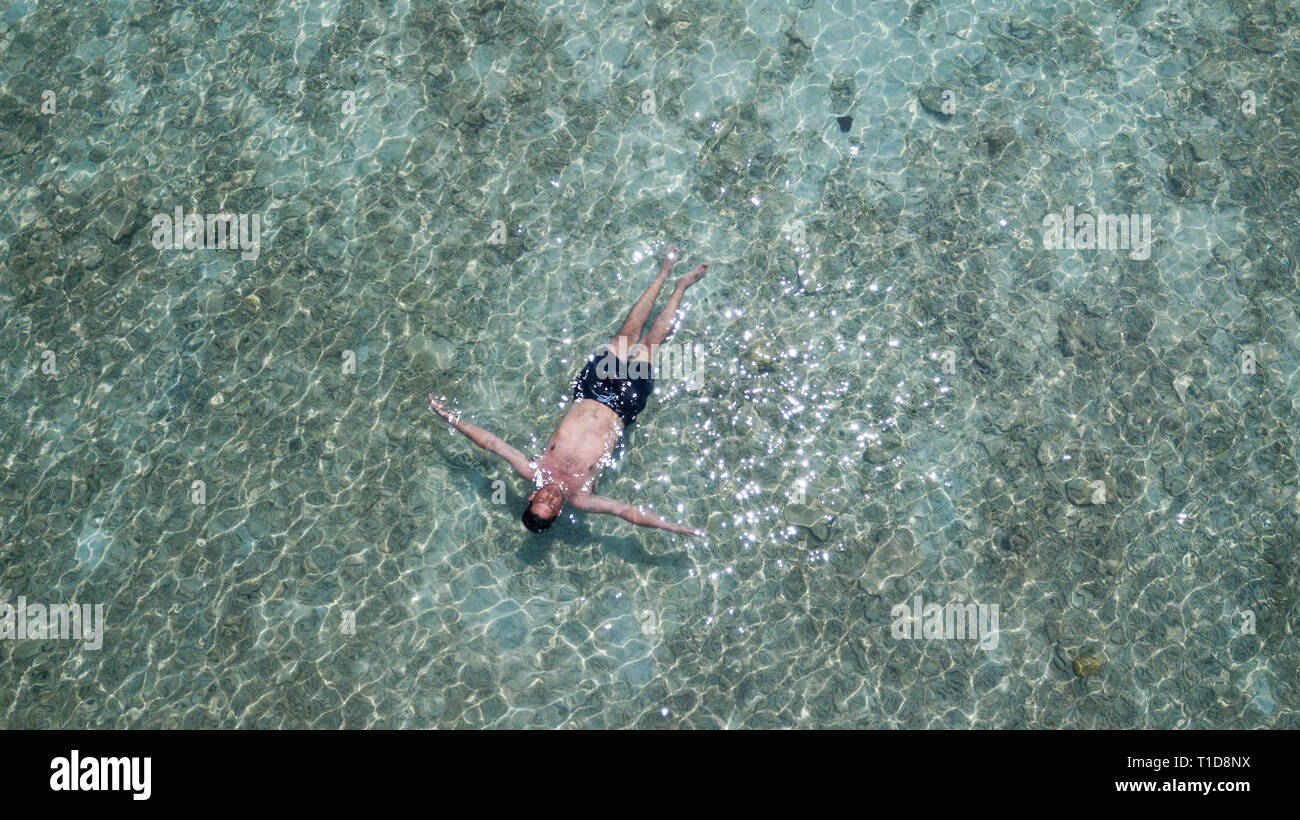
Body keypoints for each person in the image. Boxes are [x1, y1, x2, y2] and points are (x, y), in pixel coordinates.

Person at [430, 245, 708, 536]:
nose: (549, 498)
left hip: (591, 391)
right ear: (559, 511)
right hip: (623, 406)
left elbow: (492, 443)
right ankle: (681, 285)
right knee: (652, 343)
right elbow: (626, 513)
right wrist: (673, 526)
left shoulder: (533, 470)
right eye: (551, 506)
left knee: (628, 334)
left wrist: (450, 417)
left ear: (532, 497)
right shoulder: (582, 498)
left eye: (541, 501)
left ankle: (662, 273)